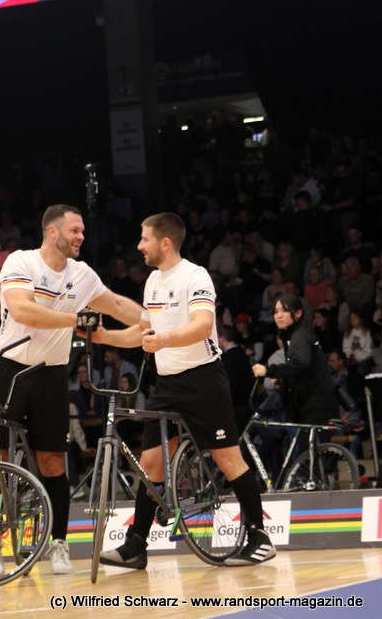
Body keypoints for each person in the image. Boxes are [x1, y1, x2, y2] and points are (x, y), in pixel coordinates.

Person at [95, 212, 275, 569]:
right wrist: (103, 337)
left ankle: (259, 537)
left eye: (144, 238)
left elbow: (203, 325)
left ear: (165, 242)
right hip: (167, 383)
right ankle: (136, 545)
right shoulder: (152, 281)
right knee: (150, 464)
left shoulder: (195, 276)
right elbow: (141, 332)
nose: (139, 245)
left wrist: (163, 339)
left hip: (203, 379)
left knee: (227, 458)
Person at [0, 203, 143, 577]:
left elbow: (116, 305)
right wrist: (76, 320)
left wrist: (157, 318)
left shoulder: (81, 274)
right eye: (74, 230)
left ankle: (58, 544)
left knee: (53, 463)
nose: (81, 236)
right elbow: (22, 309)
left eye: (82, 230)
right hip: (11, 369)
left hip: (52, 375)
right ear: (52, 232)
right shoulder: (20, 263)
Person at [252, 294, 338, 427]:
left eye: (285, 310)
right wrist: (282, 381)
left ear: (298, 313)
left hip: (316, 407)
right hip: (307, 406)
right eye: (276, 311)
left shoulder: (299, 335)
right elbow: (301, 370)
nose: (279, 316)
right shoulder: (292, 335)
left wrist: (269, 371)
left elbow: (300, 363)